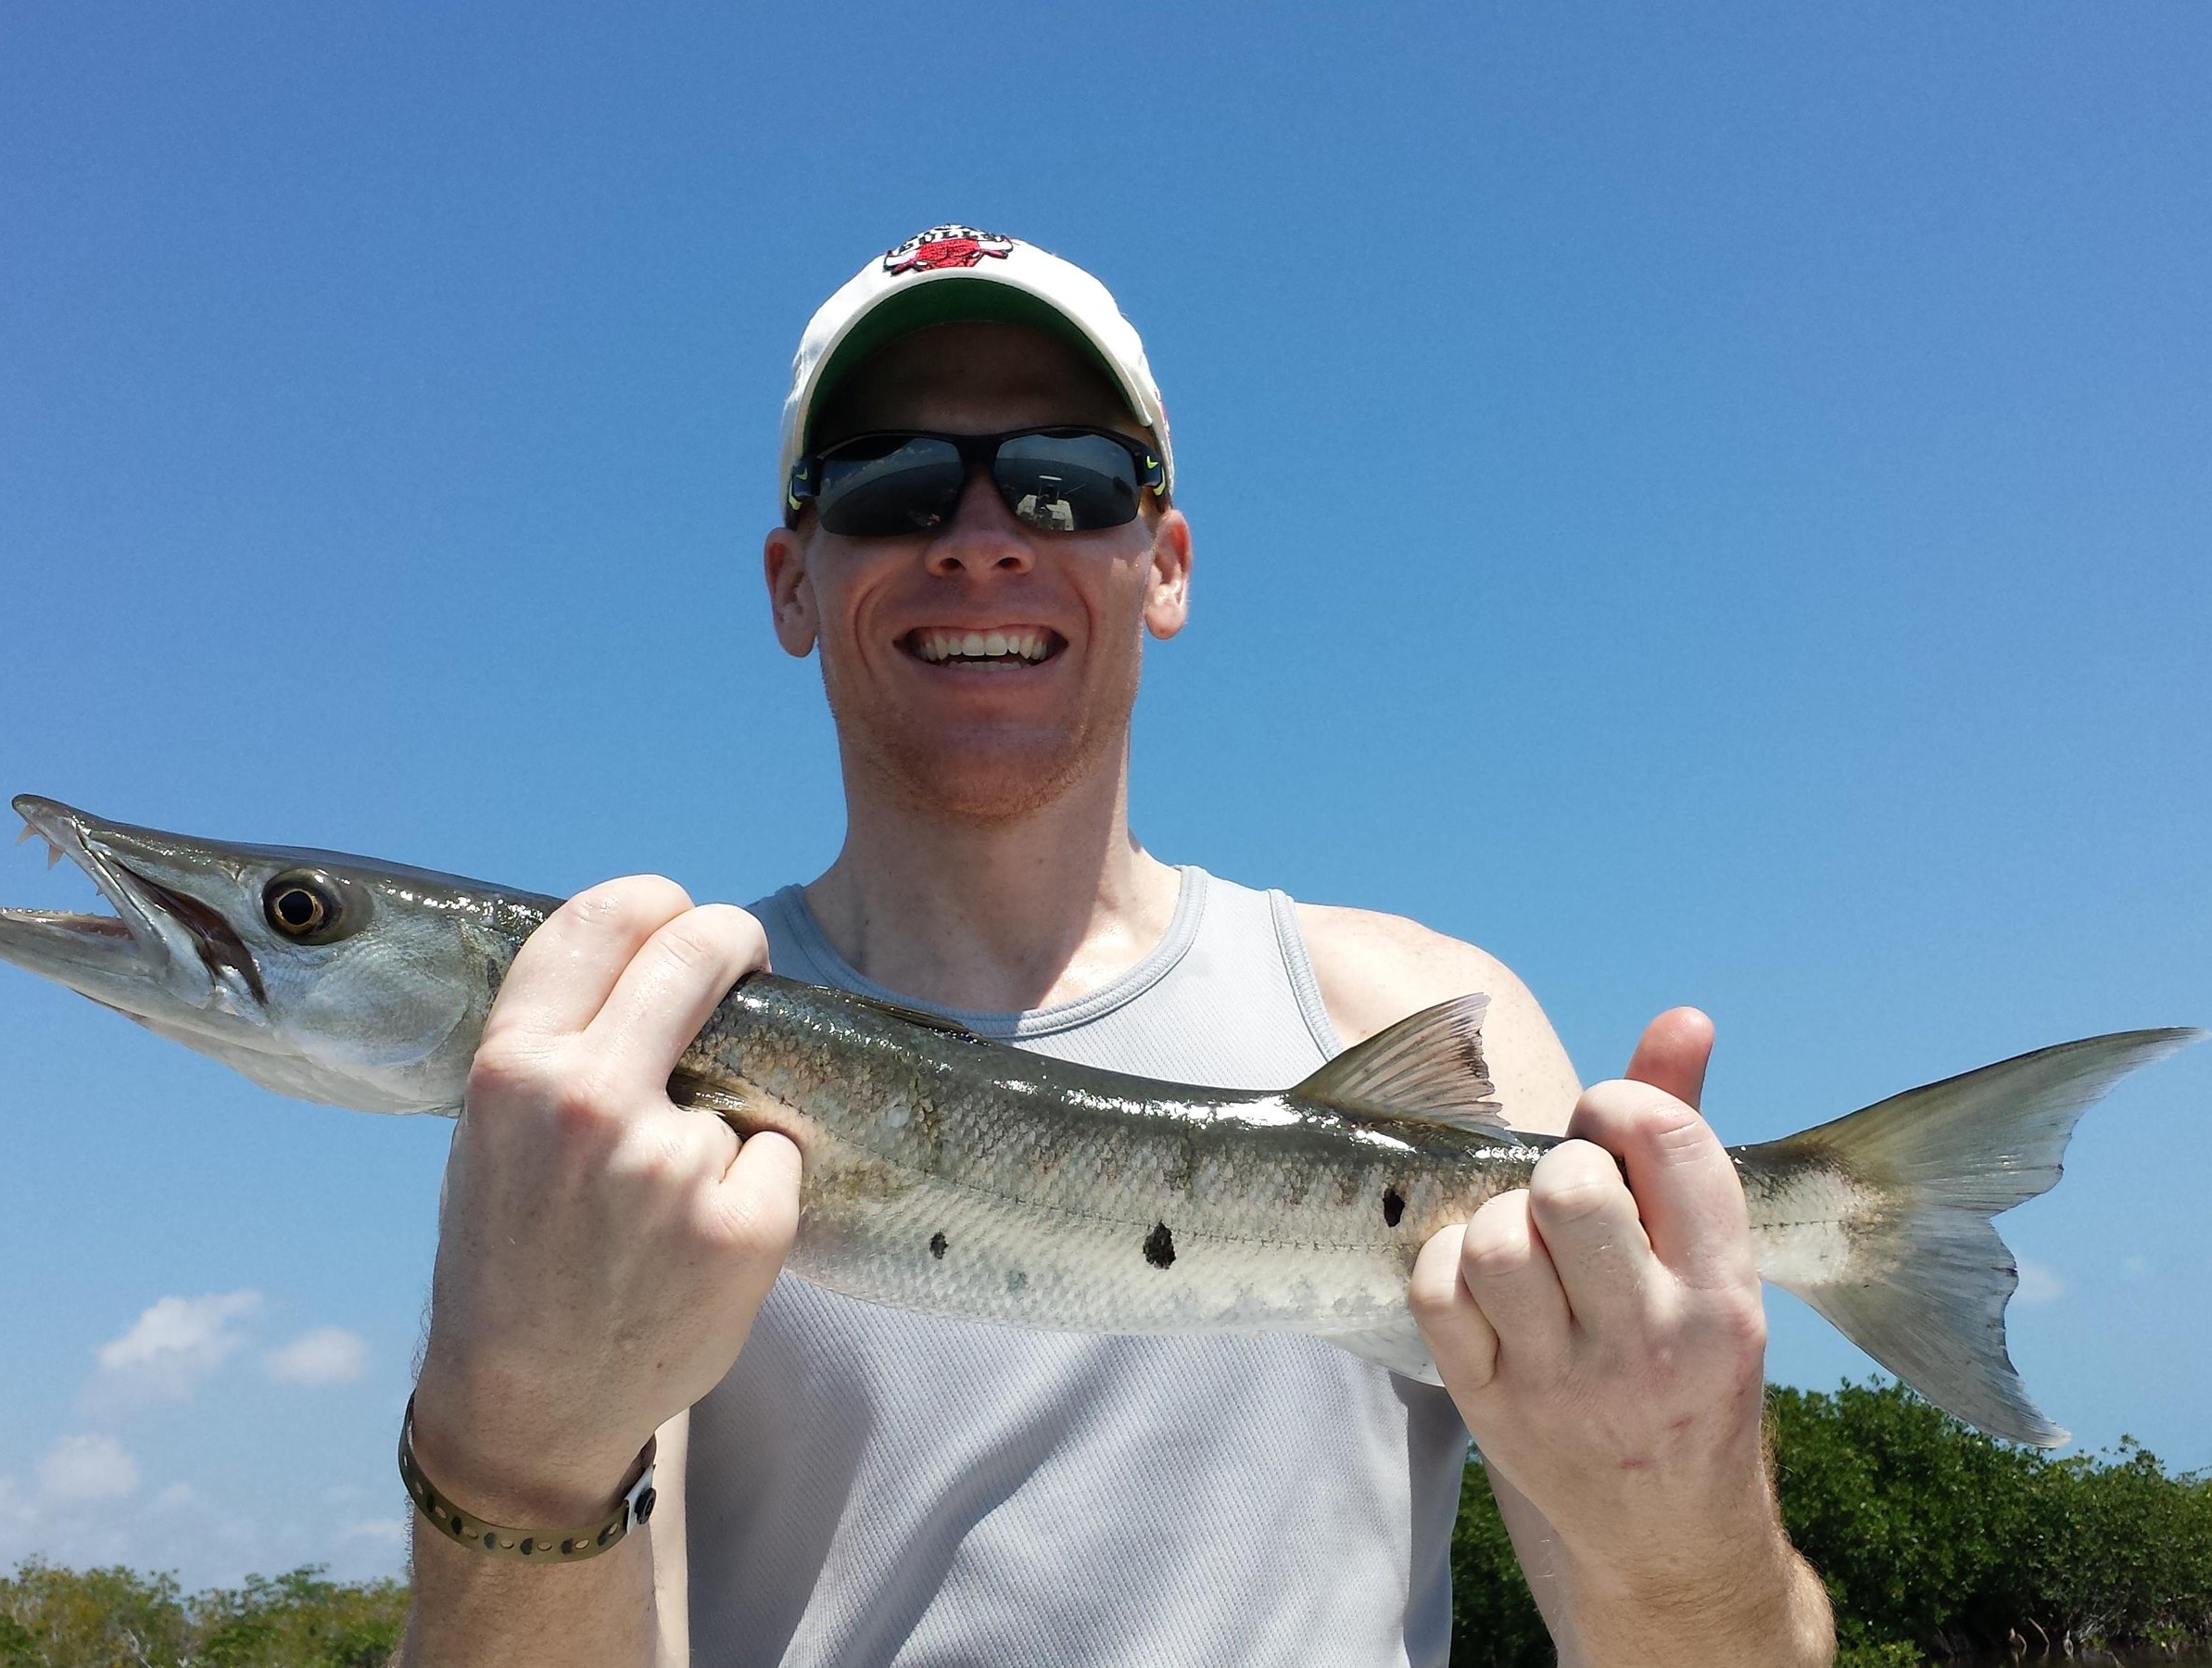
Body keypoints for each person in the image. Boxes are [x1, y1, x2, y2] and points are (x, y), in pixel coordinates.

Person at [396, 225, 1836, 1667]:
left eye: (1066, 480)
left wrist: (1684, 1534)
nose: (979, 534)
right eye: (890, 484)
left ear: (1166, 566)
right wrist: (509, 1463)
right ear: (791, 580)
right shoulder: (629, 1076)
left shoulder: (1421, 1010)